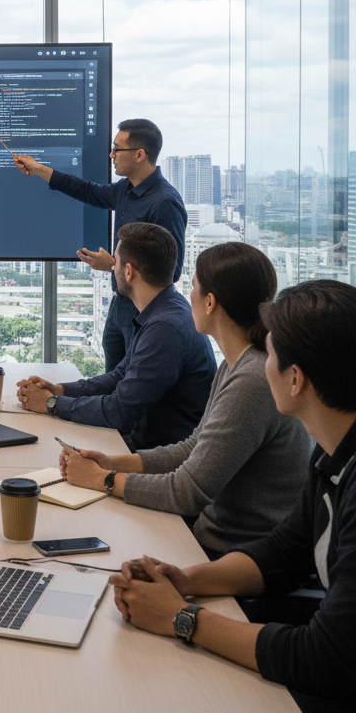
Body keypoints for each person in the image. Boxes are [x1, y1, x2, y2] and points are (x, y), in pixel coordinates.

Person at [109, 279, 356, 713]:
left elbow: (326, 660)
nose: (263, 364)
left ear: (295, 379)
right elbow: (285, 551)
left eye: (271, 354)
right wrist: (185, 581)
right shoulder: (331, 453)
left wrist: (181, 618)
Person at [59, 242, 311, 556]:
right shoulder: (235, 364)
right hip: (214, 538)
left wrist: (104, 480)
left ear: (210, 302)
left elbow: (187, 492)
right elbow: (192, 448)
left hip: (232, 554)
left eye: (193, 287)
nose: (187, 295)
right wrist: (112, 463)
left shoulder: (253, 379)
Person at [16, 222, 215, 450]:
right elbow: (120, 376)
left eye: (116, 262)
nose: (113, 269)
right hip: (147, 445)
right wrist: (59, 390)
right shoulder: (164, 309)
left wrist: (52, 404)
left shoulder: (165, 327)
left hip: (157, 455)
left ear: (128, 271)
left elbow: (120, 411)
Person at [14, 118, 186, 371]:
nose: (111, 155)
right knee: (114, 375)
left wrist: (114, 265)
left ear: (139, 155)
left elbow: (172, 270)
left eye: (117, 149)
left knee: (134, 377)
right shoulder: (126, 189)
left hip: (146, 310)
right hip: (121, 302)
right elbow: (88, 191)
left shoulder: (164, 202)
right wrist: (39, 169)